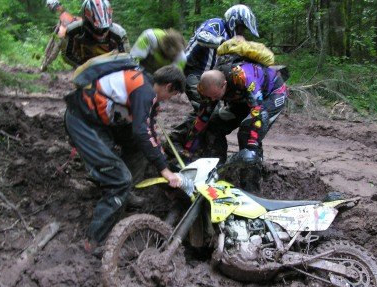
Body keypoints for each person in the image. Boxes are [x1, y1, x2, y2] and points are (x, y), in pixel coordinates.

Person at [64, 64, 186, 252]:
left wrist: (164, 163)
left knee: (140, 149)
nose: (169, 99)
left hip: (99, 120)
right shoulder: (145, 92)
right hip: (83, 122)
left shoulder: (146, 85)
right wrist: (165, 171)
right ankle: (95, 240)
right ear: (169, 86)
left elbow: (150, 132)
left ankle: (121, 193)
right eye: (172, 95)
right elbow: (141, 132)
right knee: (121, 179)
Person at [181, 60, 288, 194]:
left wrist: (252, 146)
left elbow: (258, 115)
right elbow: (202, 119)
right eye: (210, 97)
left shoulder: (244, 78)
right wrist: (188, 150)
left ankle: (251, 189)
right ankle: (218, 171)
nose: (213, 100)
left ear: (224, 85)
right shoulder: (206, 88)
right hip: (241, 99)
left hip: (271, 94)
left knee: (247, 133)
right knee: (213, 127)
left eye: (216, 96)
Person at [183, 4, 259, 110]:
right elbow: (202, 36)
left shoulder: (230, 37)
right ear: (234, 22)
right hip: (191, 69)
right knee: (208, 106)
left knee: (211, 108)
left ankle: (187, 127)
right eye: (241, 27)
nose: (241, 32)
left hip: (207, 75)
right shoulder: (217, 24)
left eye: (243, 29)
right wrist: (224, 42)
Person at [53, 0, 130, 68]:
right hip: (85, 67)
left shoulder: (119, 34)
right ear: (87, 20)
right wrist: (81, 66)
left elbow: (126, 58)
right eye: (97, 28)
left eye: (103, 28)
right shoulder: (73, 31)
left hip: (110, 68)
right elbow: (67, 54)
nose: (100, 31)